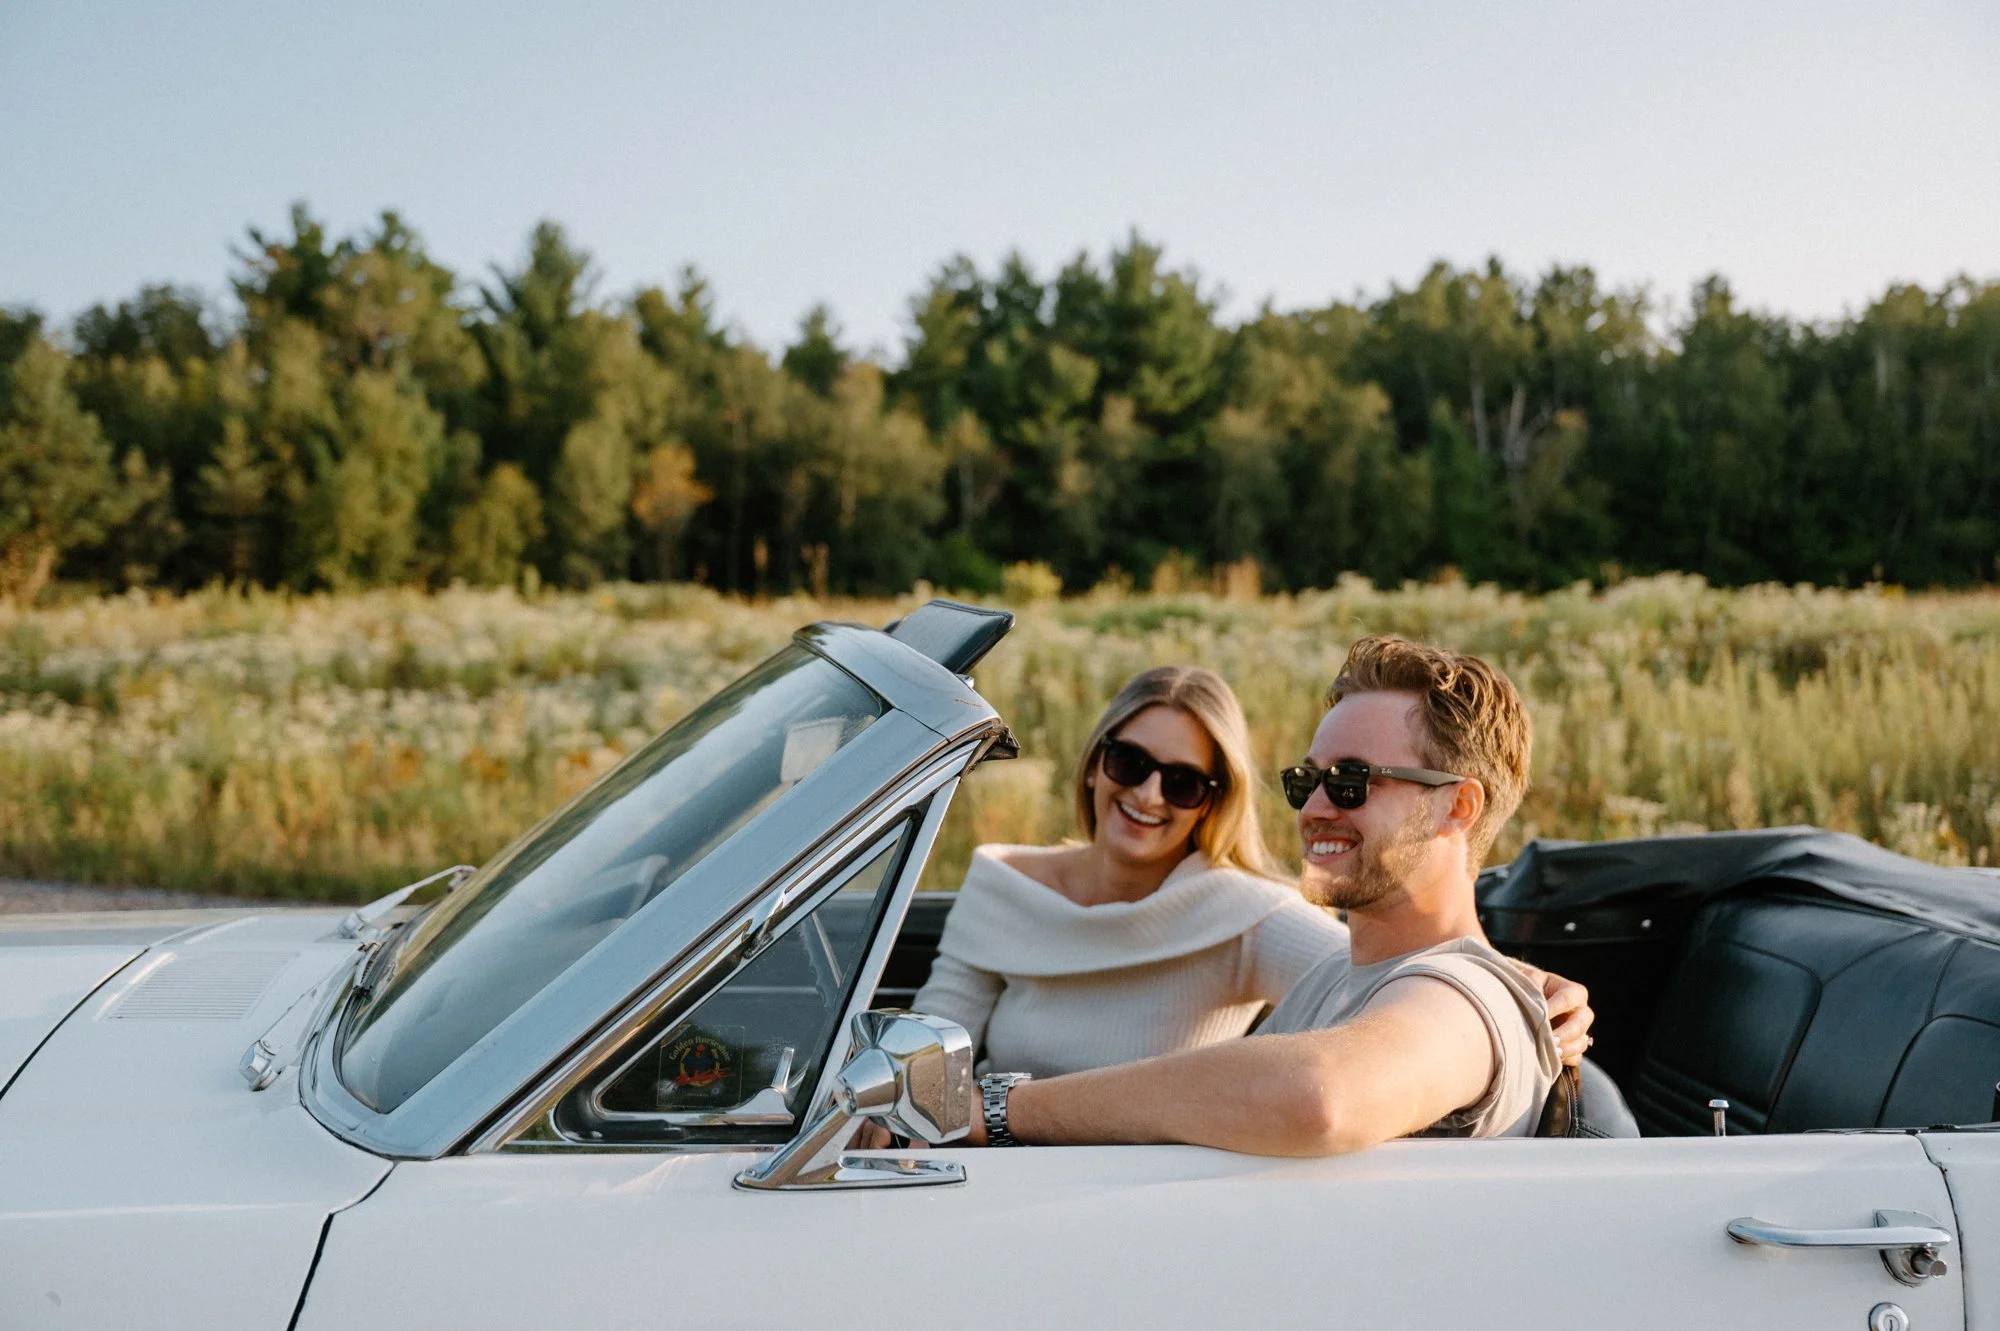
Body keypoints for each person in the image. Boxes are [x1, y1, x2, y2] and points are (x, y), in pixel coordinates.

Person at [975, 636, 1568, 1154]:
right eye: (1307, 780)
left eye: (1352, 783)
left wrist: (1001, 1111)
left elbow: (1318, 1097)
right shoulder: (1340, 976)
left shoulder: (1464, 1005)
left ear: (1457, 807)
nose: (1313, 809)